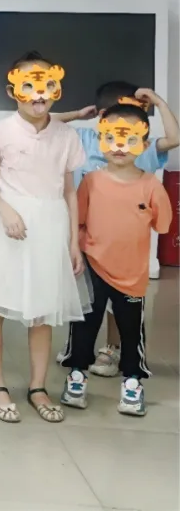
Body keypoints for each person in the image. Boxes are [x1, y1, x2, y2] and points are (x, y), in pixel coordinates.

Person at [0, 51, 87, 423]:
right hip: (7, 226)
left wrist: (73, 241)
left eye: (46, 85)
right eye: (29, 85)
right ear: (12, 91)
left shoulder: (66, 135)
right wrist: (6, 211)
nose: (38, 94)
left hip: (50, 226)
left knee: (43, 311)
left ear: (56, 87)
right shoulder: (0, 131)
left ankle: (38, 386)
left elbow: (70, 191)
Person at [53, 82, 179, 375]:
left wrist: (159, 102)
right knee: (87, 303)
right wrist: (77, 114)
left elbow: (175, 138)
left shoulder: (143, 148)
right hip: (88, 242)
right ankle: (77, 351)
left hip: (126, 248)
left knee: (121, 304)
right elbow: (45, 123)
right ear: (103, 118)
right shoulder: (85, 138)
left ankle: (112, 349)